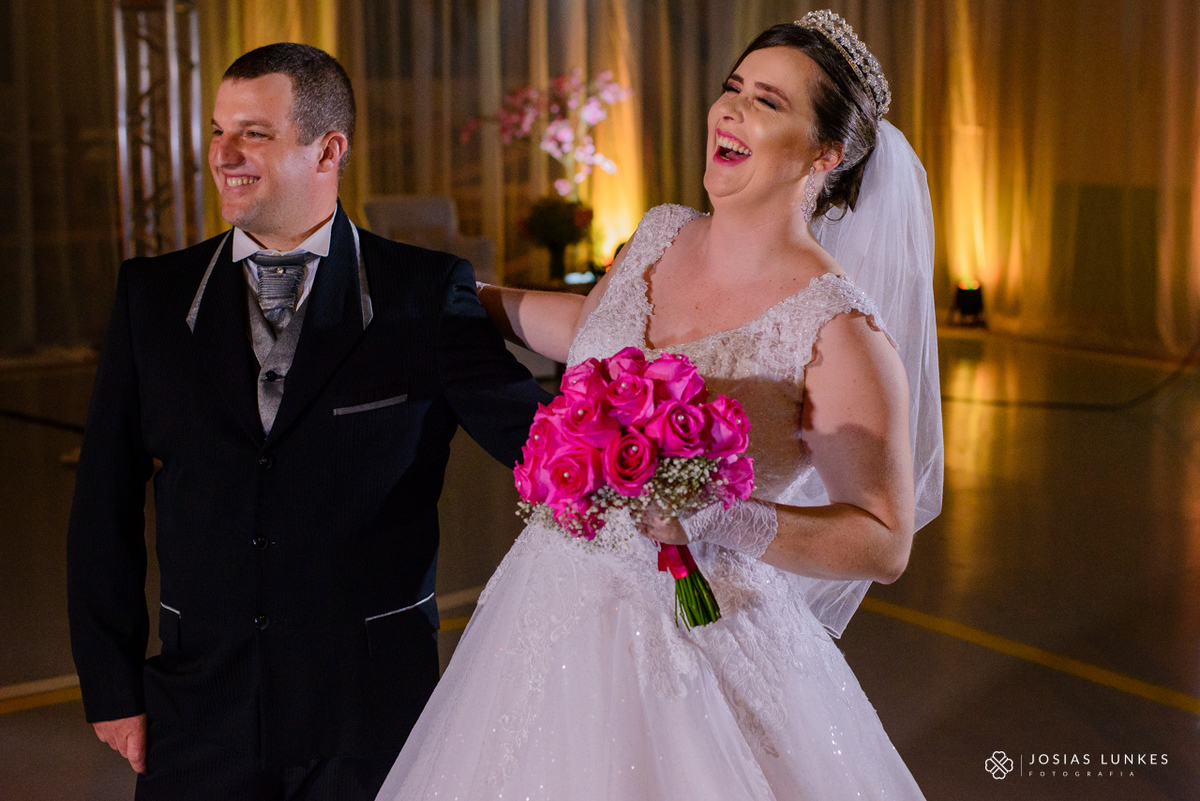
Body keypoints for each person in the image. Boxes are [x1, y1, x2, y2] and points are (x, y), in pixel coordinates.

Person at [376, 12, 942, 800]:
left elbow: (883, 540)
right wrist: (460, 297)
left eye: (768, 101)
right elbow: (590, 328)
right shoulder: (660, 232)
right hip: (548, 610)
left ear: (827, 154)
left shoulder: (838, 328)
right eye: (733, 87)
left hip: (697, 643)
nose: (731, 109)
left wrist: (722, 517)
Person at [67, 42, 549, 800]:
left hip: (372, 716)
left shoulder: (422, 294)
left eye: (254, 133)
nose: (223, 154)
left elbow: (549, 450)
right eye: (219, 130)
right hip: (199, 710)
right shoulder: (151, 297)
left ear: (328, 150)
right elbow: (104, 503)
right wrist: (111, 683)